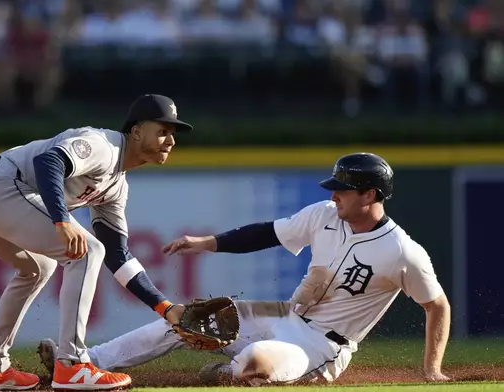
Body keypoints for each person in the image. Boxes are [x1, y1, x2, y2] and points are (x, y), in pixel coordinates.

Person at [36, 152, 452, 386]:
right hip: (283, 313)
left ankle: (235, 371)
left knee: (254, 362)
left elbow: (438, 306)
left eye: (343, 188)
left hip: (323, 345)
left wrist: (431, 369)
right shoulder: (324, 214)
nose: (335, 195)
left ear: (371, 194)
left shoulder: (402, 252)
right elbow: (265, 234)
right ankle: (82, 361)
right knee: (187, 318)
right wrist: (206, 243)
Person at [0, 94, 192, 390]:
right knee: (87, 251)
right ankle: (73, 364)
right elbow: (49, 161)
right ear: (136, 131)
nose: (170, 140)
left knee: (38, 269)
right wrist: (63, 221)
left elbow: (119, 256)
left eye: (172, 134)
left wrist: (166, 309)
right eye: (162, 131)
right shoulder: (104, 146)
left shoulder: (116, 186)